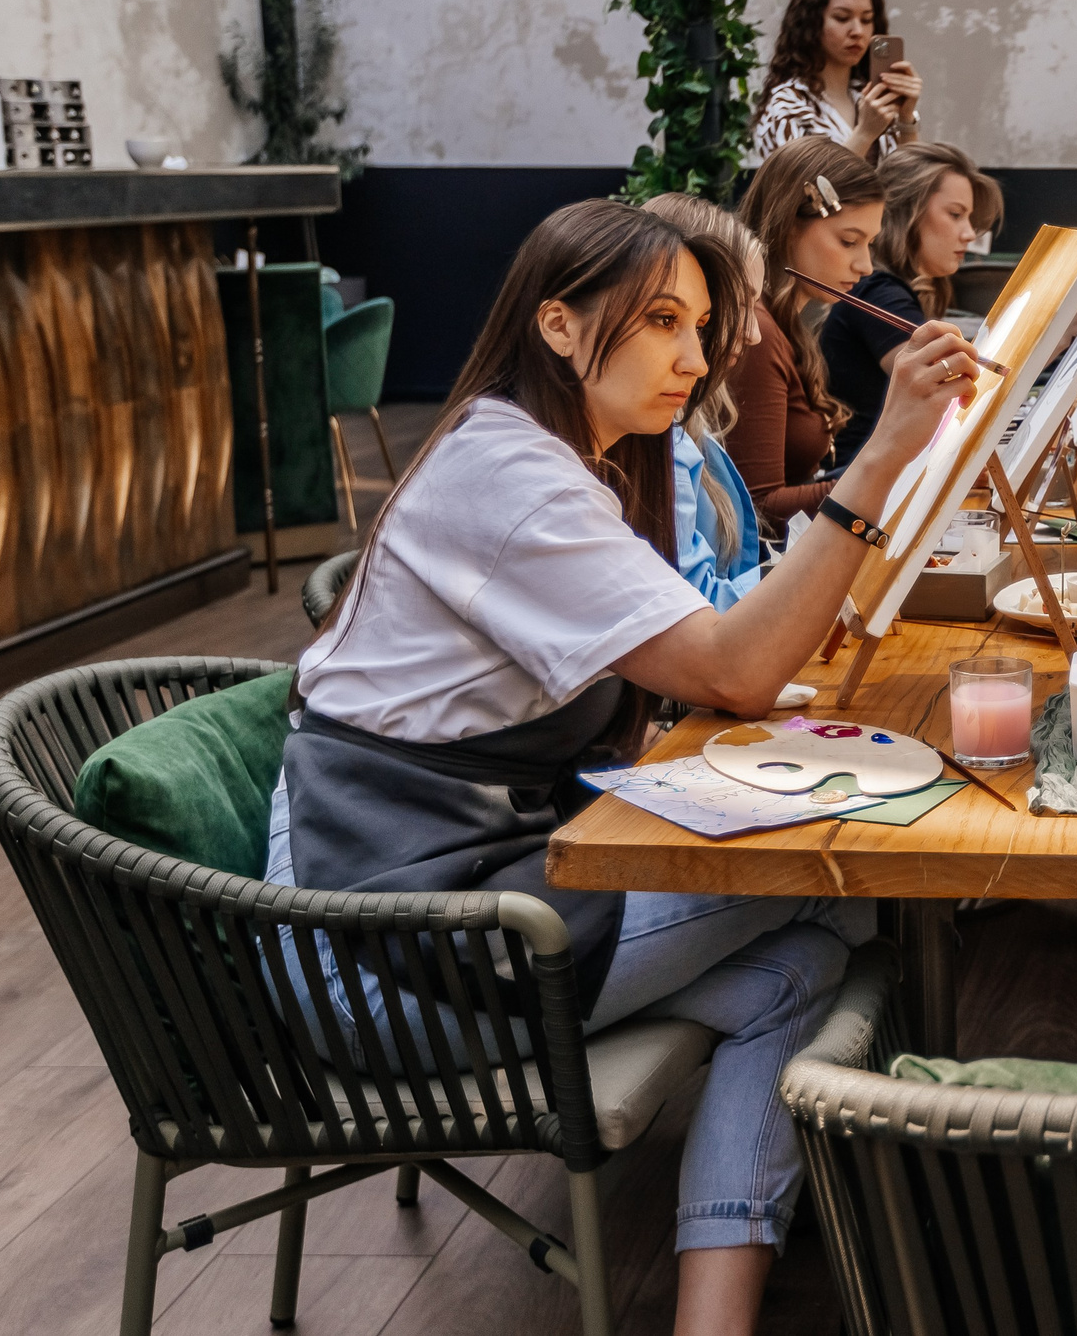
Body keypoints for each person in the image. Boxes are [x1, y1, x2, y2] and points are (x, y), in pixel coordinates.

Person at [268, 199, 981, 1335]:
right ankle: (910, 1203)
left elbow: (705, 670)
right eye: (660, 321)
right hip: (383, 940)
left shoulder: (550, 454)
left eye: (700, 326)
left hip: (444, 878)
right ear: (558, 324)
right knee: (836, 895)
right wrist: (882, 457)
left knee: (801, 963)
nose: (694, 359)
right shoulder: (516, 478)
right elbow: (735, 670)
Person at [725, 138, 888, 535]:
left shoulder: (783, 323)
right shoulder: (756, 332)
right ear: (787, 226)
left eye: (869, 244)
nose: (866, 265)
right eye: (848, 241)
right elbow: (757, 510)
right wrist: (890, 474)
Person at [816, 141, 1001, 458]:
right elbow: (951, 388)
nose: (969, 234)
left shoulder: (891, 288)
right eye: (955, 214)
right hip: (853, 477)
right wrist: (1056, 333)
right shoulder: (878, 292)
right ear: (907, 212)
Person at [642, 192, 770, 610]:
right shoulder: (657, 434)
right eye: (740, 303)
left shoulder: (684, 421)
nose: (754, 334)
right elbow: (697, 606)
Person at [753, 0, 923, 164]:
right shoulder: (788, 106)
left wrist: (906, 120)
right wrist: (864, 133)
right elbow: (800, 184)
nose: (857, 31)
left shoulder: (871, 98)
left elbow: (911, 180)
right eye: (842, 18)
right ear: (811, 23)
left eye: (867, 20)